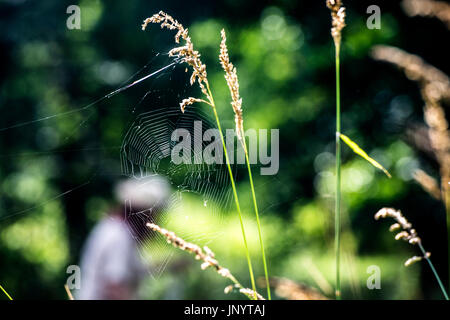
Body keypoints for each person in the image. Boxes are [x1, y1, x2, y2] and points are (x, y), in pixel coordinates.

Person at [77, 175, 171, 300]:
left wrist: (169, 266)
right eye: (155, 215)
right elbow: (115, 287)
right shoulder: (120, 237)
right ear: (143, 215)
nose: (156, 221)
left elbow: (133, 271)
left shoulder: (113, 227)